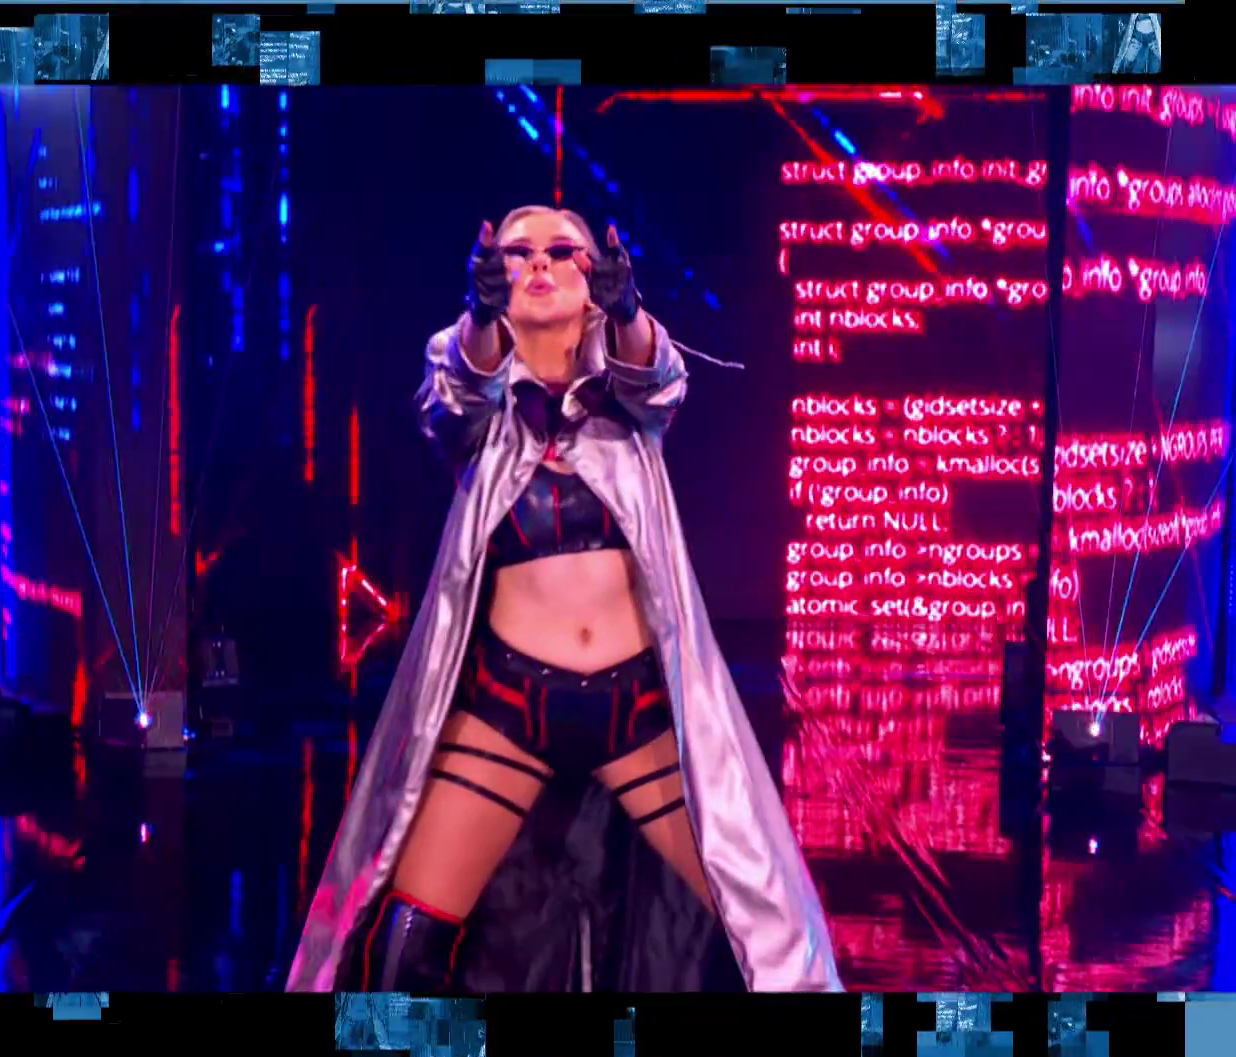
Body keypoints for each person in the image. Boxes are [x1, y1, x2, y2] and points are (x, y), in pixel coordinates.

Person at [287, 206, 841, 992]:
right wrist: (481, 320)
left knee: (762, 929)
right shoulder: (474, 397)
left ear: (595, 283)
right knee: (402, 945)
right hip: (509, 709)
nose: (540, 264)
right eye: (519, 252)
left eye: (562, 251)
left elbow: (658, 378)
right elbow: (456, 392)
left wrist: (630, 313)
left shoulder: (630, 402)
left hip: (635, 711)